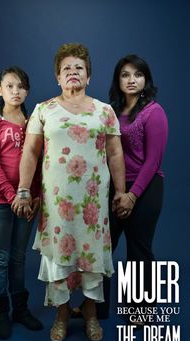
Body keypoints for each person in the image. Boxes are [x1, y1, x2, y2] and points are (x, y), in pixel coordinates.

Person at [12, 43, 125, 341]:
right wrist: (24, 190)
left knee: (91, 261)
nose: (73, 72)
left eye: (79, 68)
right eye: (67, 69)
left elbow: (115, 154)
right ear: (58, 78)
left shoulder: (105, 111)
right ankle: (61, 316)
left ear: (88, 77)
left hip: (93, 203)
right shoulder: (43, 110)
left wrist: (121, 192)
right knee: (59, 260)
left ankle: (90, 317)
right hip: (57, 203)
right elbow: (30, 153)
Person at [72, 54, 168, 325]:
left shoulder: (153, 112)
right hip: (113, 187)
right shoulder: (111, 111)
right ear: (118, 79)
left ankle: (140, 312)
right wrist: (115, 189)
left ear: (145, 79)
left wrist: (132, 195)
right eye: (125, 74)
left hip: (145, 188)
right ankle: (97, 308)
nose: (131, 79)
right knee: (102, 248)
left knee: (139, 250)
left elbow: (153, 161)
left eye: (137, 74)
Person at [0, 66, 43, 339]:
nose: (15, 91)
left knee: (18, 257)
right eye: (9, 86)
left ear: (27, 90)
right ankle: (0, 313)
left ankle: (20, 309)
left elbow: (40, 163)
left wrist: (34, 194)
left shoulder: (34, 122)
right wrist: (12, 196)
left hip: (27, 202)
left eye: (20, 86)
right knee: (0, 258)